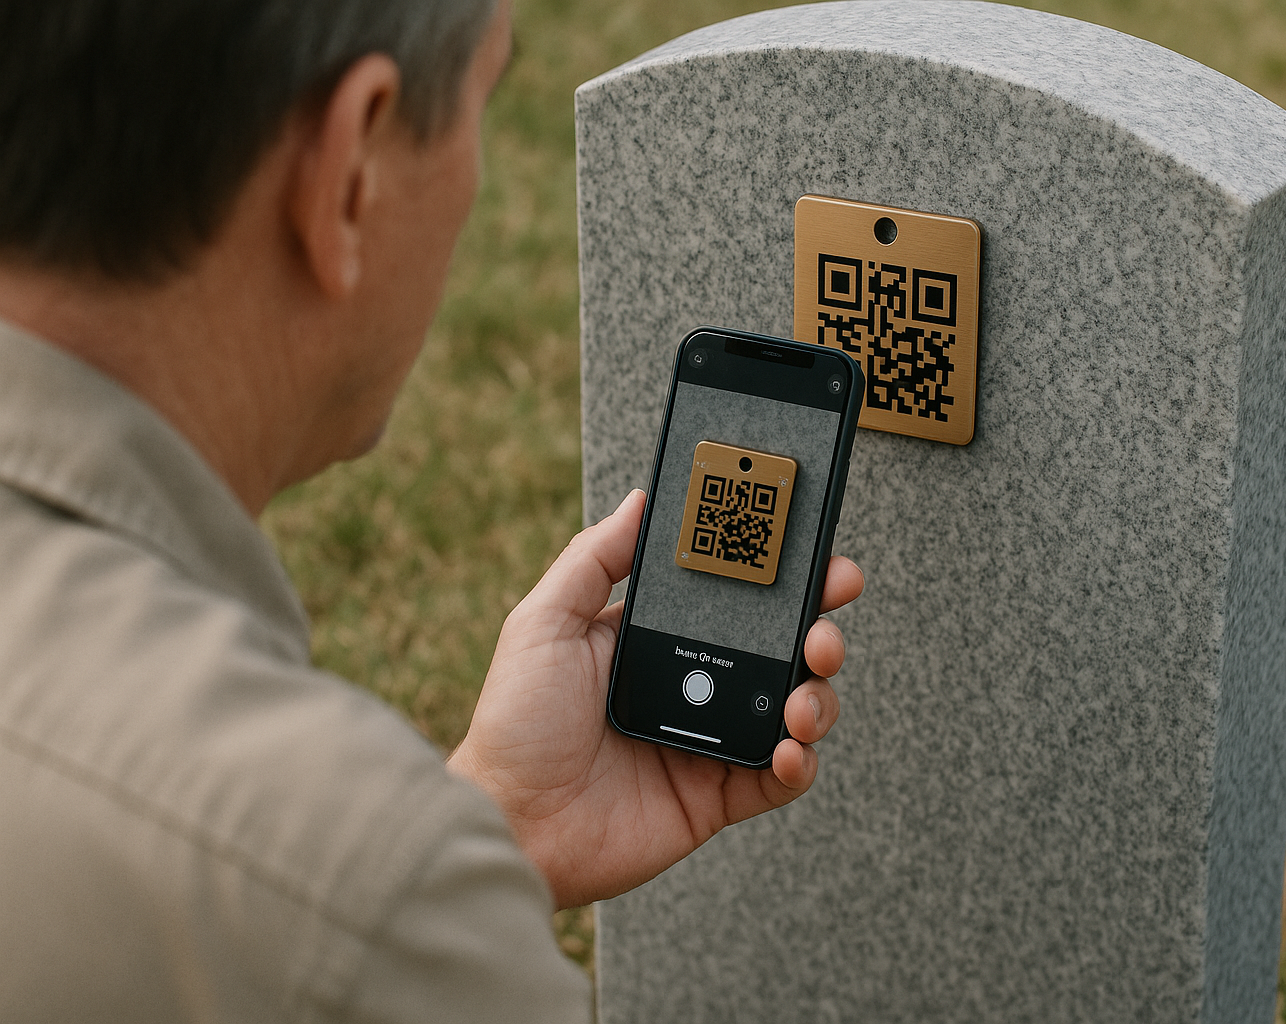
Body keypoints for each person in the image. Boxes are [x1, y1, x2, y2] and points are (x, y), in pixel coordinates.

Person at [0, 1, 861, 1019]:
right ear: (349, 173)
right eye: (480, 104)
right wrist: (416, 893)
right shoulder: (359, 899)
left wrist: (493, 831)